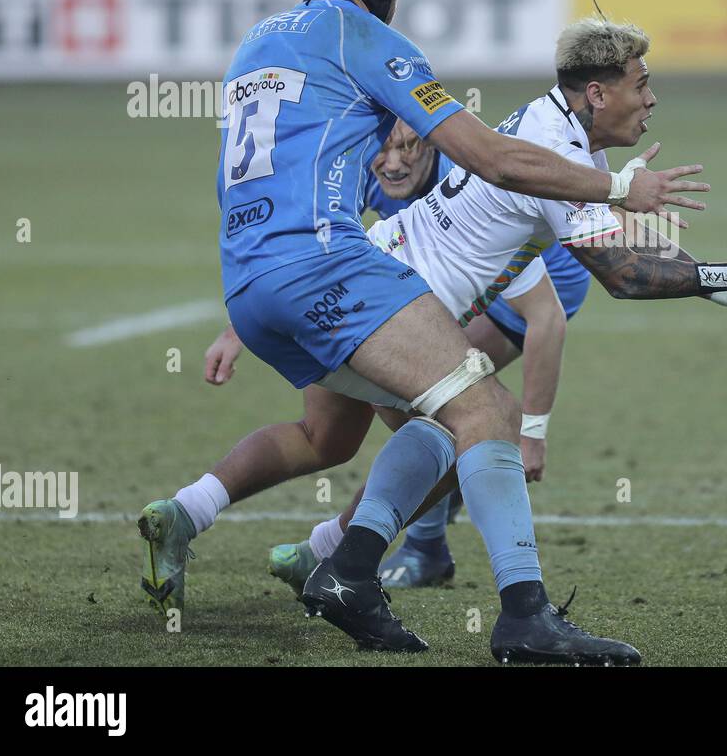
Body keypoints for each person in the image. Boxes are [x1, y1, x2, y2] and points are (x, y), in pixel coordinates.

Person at [137, 0, 708, 666]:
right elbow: (491, 157)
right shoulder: (369, 38)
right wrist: (617, 192)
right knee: (489, 410)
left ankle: (335, 565)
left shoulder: (257, 42)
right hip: (324, 264)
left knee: (376, 429)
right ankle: (520, 619)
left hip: (247, 279)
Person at [204, 119, 587, 589]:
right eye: (382, 148)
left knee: (453, 414)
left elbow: (546, 316)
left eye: (409, 146)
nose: (393, 161)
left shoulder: (466, 172)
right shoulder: (370, 167)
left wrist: (533, 430)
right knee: (395, 405)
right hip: (439, 272)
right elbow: (312, 255)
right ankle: (346, 547)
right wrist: (238, 329)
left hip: (527, 279)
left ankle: (417, 549)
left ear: (432, 141)